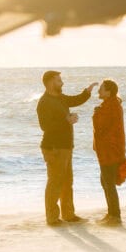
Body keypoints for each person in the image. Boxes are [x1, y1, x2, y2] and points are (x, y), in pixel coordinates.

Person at [37, 70, 97, 226]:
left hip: (66, 147)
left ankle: (68, 215)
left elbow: (75, 100)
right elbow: (45, 127)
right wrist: (67, 120)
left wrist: (87, 92)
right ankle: (52, 218)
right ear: (50, 82)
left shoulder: (61, 98)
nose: (62, 83)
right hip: (53, 148)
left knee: (67, 182)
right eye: (58, 80)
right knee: (55, 182)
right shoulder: (44, 102)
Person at [92, 78, 126, 226]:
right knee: (105, 182)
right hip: (109, 149)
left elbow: (102, 127)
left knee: (108, 182)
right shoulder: (110, 104)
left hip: (110, 150)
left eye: (102, 88)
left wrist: (96, 114)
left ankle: (115, 216)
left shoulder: (111, 105)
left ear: (109, 91)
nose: (99, 91)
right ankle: (111, 213)